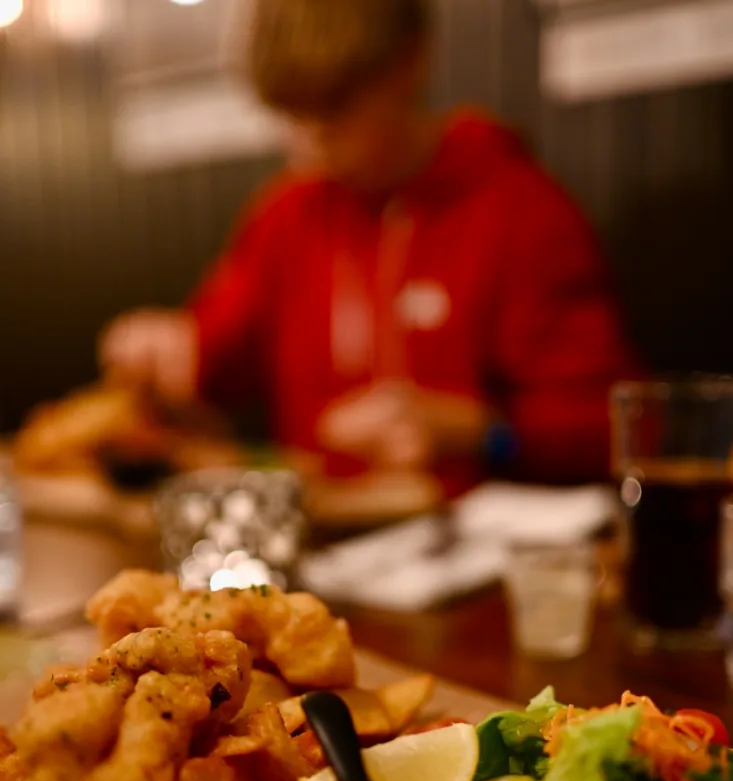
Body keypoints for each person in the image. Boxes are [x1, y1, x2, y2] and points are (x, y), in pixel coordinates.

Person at [100, 0, 640, 498]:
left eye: (334, 110)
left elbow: (613, 428)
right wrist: (164, 356)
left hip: (474, 568)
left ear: (410, 62)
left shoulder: (519, 208)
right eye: (292, 115)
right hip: (320, 555)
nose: (310, 145)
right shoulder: (286, 216)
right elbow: (212, 360)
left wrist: (486, 432)